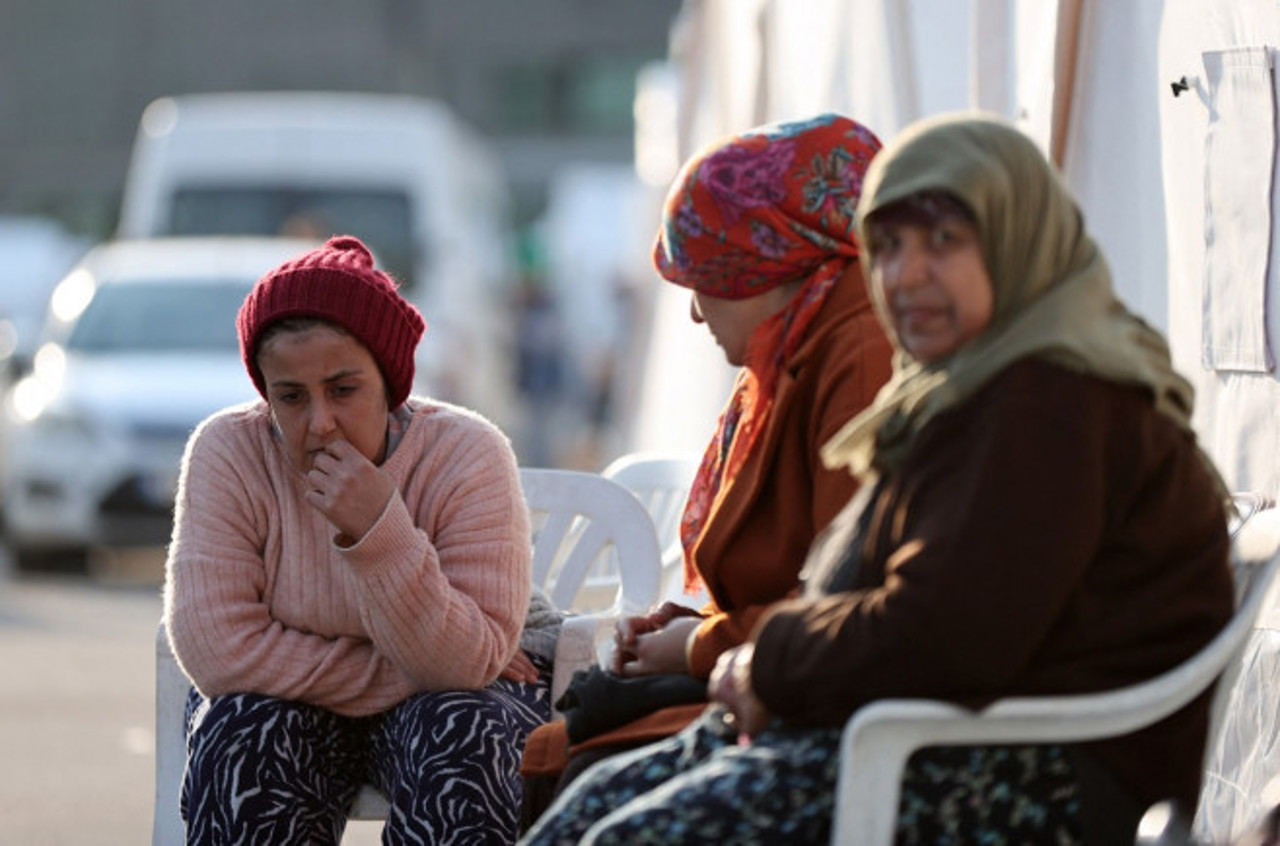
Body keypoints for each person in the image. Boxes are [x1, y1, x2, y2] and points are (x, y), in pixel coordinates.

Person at [521, 113, 1235, 845]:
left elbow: (941, 631)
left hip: (1027, 776)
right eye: (887, 245)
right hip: (914, 738)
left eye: (944, 241)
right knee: (588, 806)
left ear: (1019, 239)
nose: (906, 274)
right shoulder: (971, 394)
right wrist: (747, 657)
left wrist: (764, 660)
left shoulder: (1052, 403)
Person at [519, 112, 894, 817]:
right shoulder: (795, 353)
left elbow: (847, 606)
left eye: (708, 277)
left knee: (590, 796)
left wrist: (695, 644)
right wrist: (683, 630)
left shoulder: (860, 358)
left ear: (771, 262)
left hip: (817, 711)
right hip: (774, 682)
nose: (694, 313)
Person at [164, 235, 550, 844]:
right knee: (244, 730)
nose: (320, 423)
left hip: (447, 710)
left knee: (461, 723)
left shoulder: (468, 453)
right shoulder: (229, 451)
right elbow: (217, 650)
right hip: (291, 706)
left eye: (344, 390)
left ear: (391, 387)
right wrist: (410, 665)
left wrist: (377, 529)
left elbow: (466, 672)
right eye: (290, 397)